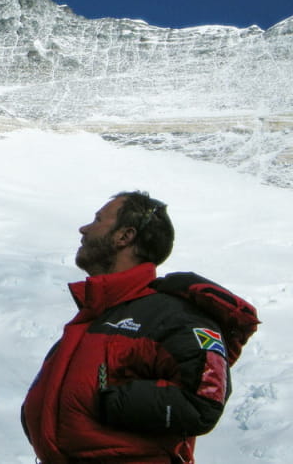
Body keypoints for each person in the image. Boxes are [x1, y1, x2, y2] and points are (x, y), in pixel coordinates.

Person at [21, 191, 259, 463]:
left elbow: (204, 400)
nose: (84, 228)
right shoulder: (91, 321)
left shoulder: (171, 315)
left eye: (98, 219)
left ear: (125, 236)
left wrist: (114, 402)